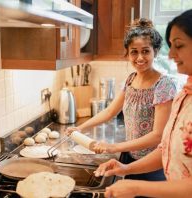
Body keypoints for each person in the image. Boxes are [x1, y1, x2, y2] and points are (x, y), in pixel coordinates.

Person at [94, 9, 192, 198]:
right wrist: (126, 168)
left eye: (178, 46)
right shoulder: (184, 96)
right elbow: (166, 147)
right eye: (171, 46)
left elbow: (157, 137)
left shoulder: (166, 85)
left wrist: (136, 187)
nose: (170, 55)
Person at [66, 18, 177, 181]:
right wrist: (80, 128)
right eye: (134, 51)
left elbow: (158, 135)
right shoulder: (131, 80)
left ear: (155, 52)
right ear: (127, 53)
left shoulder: (164, 86)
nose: (140, 57)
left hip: (153, 163)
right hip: (129, 156)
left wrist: (114, 147)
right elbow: (111, 111)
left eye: (146, 51)